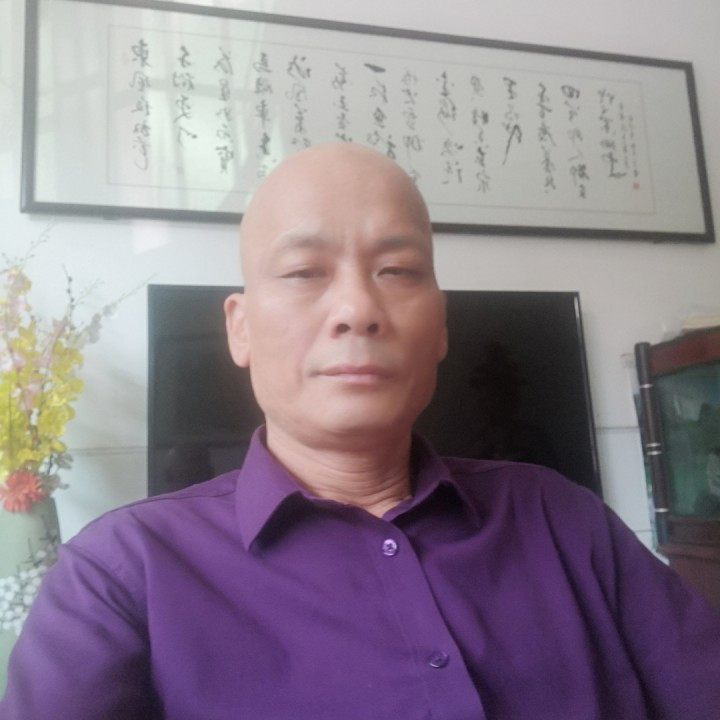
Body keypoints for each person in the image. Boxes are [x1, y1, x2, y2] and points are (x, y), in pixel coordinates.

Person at [2, 143, 719, 719]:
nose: (357, 309)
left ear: (440, 325)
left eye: (397, 269)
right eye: (304, 271)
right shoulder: (120, 576)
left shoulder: (563, 520)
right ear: (240, 328)